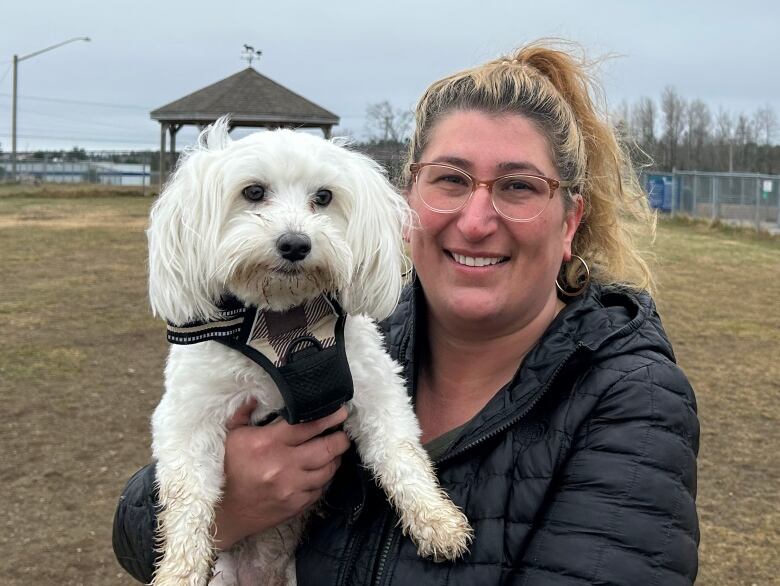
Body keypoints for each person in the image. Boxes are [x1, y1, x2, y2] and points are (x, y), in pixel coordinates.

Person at [113, 41, 699, 585]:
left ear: (569, 221)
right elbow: (136, 542)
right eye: (451, 180)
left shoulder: (631, 400)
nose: (475, 221)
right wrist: (229, 509)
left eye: (518, 187)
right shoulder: (355, 331)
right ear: (409, 201)